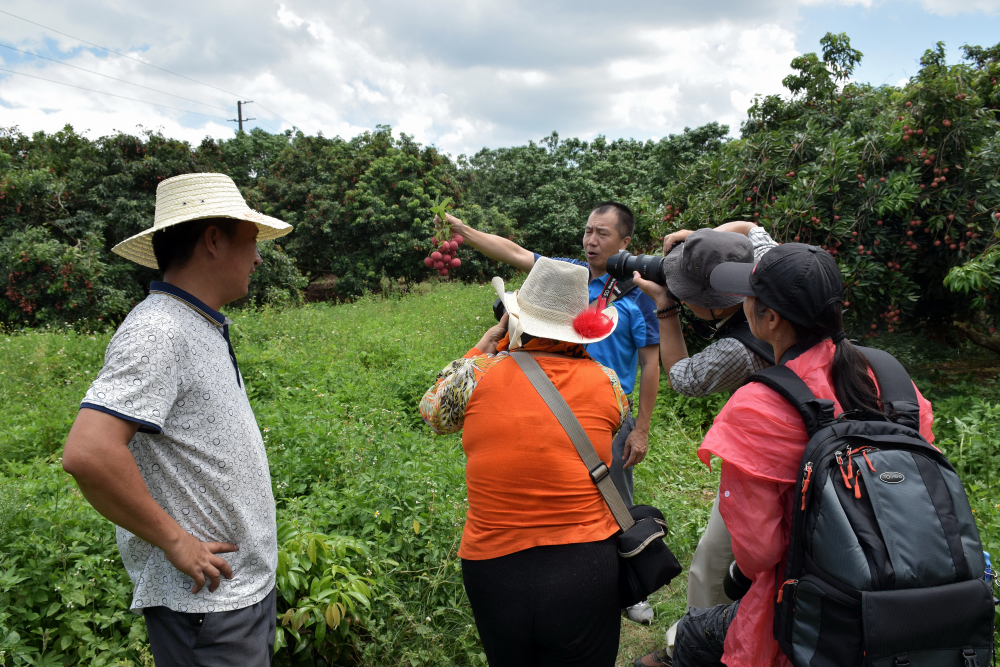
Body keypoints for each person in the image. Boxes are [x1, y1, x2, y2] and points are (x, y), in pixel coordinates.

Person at [665, 243, 935, 667]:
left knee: (690, 639)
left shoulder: (760, 405)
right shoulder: (894, 380)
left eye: (749, 297)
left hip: (808, 613)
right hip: (908, 599)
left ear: (769, 318)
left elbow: (760, 553)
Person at [62, 173, 292, 666]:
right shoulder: (158, 330)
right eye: (251, 242)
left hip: (235, 597)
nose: (257, 258)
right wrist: (176, 541)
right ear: (213, 239)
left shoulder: (197, 323)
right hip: (205, 608)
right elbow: (89, 452)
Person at [447, 202, 660, 623]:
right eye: (587, 231)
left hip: (608, 412)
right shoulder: (565, 279)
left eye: (602, 233)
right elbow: (513, 252)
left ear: (625, 242)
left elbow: (652, 363)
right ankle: (564, 574)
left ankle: (628, 580)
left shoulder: (639, 297)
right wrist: (463, 231)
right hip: (545, 400)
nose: (591, 240)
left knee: (614, 497)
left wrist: (642, 429)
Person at [420, 257, 630, 666]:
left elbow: (433, 412)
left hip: (495, 566)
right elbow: (617, 418)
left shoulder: (478, 374)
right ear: (583, 331)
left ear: (515, 320)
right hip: (586, 563)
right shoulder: (608, 382)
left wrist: (485, 345)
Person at [629, 220, 778, 667]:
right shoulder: (770, 268)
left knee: (714, 563)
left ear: (713, 306)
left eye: (684, 291)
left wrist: (665, 306)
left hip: (771, 461)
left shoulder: (739, 348)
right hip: (819, 433)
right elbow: (752, 227)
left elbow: (684, 378)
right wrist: (703, 238)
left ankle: (696, 649)